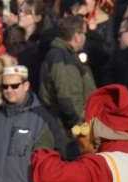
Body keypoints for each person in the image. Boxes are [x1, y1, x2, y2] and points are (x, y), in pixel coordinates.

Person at [39, 14, 95, 151]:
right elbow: (69, 101)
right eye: (84, 33)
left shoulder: (62, 55)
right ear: (76, 36)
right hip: (68, 137)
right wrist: (83, 134)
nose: (85, 38)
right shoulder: (63, 59)